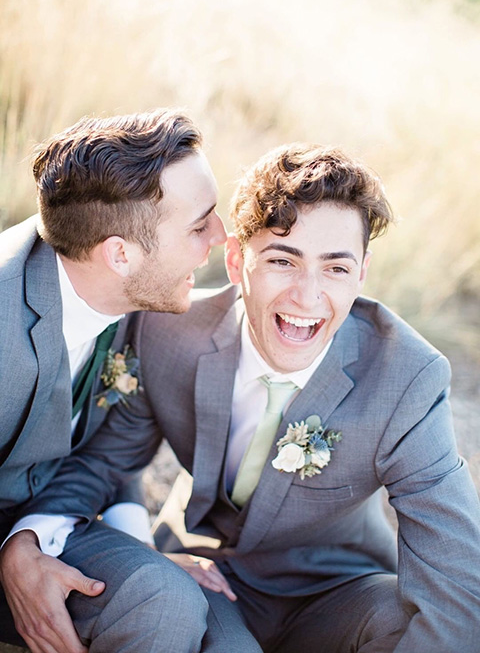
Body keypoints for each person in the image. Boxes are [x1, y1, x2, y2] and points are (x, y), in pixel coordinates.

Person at [20, 144, 480, 651]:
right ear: (238, 259)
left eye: (336, 268)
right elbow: (103, 464)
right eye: (283, 260)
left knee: (408, 625)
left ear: (362, 272)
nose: (307, 297)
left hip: (338, 588)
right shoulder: (166, 332)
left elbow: (455, 568)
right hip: (210, 575)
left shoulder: (407, 377)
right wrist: (32, 541)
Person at [0, 108, 229, 653]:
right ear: (119, 254)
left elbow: (105, 448)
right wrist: (14, 566)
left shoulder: (131, 291)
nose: (223, 235)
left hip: (46, 520)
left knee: (175, 604)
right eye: (200, 224)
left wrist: (135, 549)